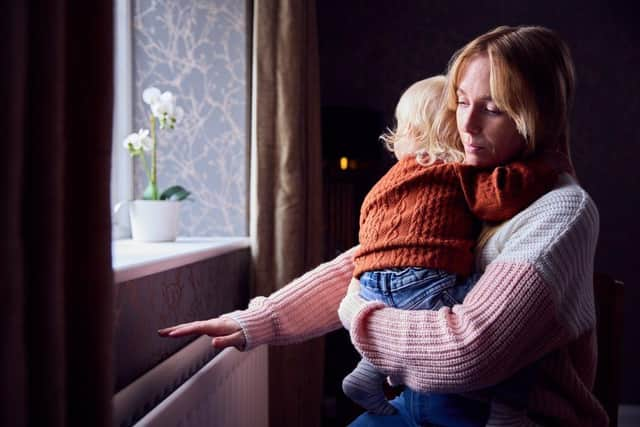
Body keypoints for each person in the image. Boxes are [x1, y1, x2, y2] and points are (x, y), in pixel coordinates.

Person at [159, 25, 608, 426]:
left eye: (492, 108)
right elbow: (370, 264)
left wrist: (358, 313)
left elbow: (467, 350)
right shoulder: (469, 183)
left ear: (537, 117)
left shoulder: (560, 211)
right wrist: (253, 322)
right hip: (421, 406)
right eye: (462, 102)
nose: (465, 124)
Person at [341, 74, 560, 421]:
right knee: (520, 334)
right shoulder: (455, 170)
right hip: (421, 278)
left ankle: (367, 371)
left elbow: (371, 234)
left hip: (369, 282)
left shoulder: (390, 179)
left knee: (399, 309)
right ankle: (509, 410)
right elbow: (500, 197)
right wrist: (541, 168)